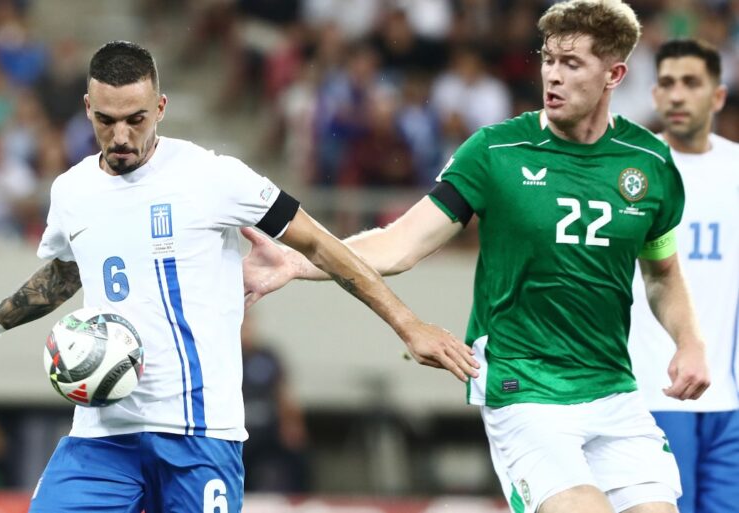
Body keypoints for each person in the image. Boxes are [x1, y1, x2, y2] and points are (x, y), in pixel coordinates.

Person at [0, 40, 476, 513]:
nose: (121, 136)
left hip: (199, 437)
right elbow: (64, 275)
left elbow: (321, 244)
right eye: (106, 120)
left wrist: (408, 324)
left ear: (160, 108)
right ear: (87, 108)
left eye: (136, 119)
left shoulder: (213, 178)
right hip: (102, 436)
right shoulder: (71, 191)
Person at [242, 1, 712, 512]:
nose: (552, 75)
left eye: (572, 64)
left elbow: (662, 273)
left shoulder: (651, 163)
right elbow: (400, 244)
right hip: (524, 389)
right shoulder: (495, 152)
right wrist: (300, 262)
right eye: (548, 59)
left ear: (614, 75)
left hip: (614, 389)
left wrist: (689, 343)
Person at [628, 39, 739, 513]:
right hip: (651, 392)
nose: (676, 95)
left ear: (717, 96)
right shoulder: (632, 169)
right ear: (654, 94)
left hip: (729, 402)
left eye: (691, 83)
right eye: (667, 84)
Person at [240, 315, 309, 493]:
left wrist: (292, 424)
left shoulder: (267, 356)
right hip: (238, 429)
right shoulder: (225, 358)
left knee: (296, 455)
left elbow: (283, 392)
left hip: (268, 427)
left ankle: (297, 498)